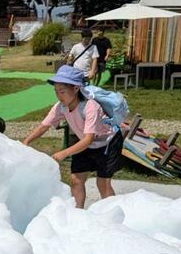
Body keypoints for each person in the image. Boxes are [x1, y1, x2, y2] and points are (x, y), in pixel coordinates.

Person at [22, 65, 123, 208]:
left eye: (62, 91)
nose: (58, 95)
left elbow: (89, 139)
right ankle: (78, 213)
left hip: (108, 142)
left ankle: (112, 216)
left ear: (76, 88)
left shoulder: (90, 106)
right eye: (56, 91)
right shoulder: (61, 106)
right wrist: (26, 142)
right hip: (85, 142)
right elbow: (44, 126)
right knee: (76, 179)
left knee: (102, 182)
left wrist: (63, 153)